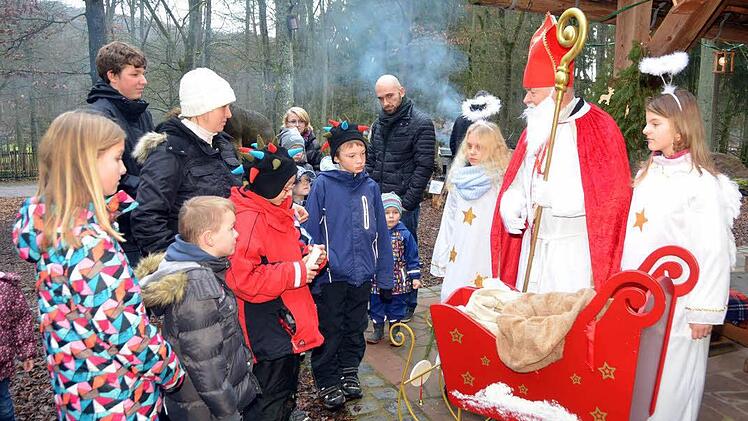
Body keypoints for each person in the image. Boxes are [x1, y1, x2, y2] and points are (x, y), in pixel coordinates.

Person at [12, 110, 184, 420]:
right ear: (86, 164)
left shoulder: (52, 228)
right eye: (117, 159)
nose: (123, 169)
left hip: (79, 394)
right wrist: (172, 372)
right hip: (118, 400)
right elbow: (127, 334)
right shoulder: (89, 246)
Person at [620, 88, 740, 421]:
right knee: (640, 386)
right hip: (644, 302)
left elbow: (713, 250)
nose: (646, 130)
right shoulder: (648, 174)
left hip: (682, 308)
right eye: (647, 122)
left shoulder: (701, 184)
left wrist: (704, 311)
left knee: (673, 386)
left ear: (679, 128)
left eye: (654, 123)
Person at [491, 13, 631, 293]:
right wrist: (511, 202)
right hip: (534, 251)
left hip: (573, 258)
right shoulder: (536, 127)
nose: (526, 100)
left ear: (559, 90)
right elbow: (518, 181)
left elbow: (612, 199)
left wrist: (556, 198)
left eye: (533, 92)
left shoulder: (599, 127)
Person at [138, 196, 261, 420]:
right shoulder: (198, 288)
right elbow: (207, 367)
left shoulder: (200, 270)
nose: (237, 234)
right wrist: (230, 414)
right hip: (207, 411)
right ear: (209, 238)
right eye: (231, 228)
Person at [227, 143, 324, 421]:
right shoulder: (250, 220)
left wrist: (310, 256)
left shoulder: (276, 209)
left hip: (285, 319)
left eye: (292, 185)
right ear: (265, 188)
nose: (289, 193)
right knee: (270, 395)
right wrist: (296, 273)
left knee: (284, 390)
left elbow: (283, 251)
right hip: (266, 326)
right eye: (284, 187)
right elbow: (242, 278)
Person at [304, 121, 394, 410]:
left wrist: (385, 276)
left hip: (362, 274)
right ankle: (327, 378)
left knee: (355, 326)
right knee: (331, 327)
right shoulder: (323, 185)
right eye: (351, 154)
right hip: (331, 275)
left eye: (362, 154)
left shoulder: (371, 187)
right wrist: (314, 273)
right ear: (337, 157)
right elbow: (312, 234)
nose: (358, 159)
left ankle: (348, 371)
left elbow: (380, 232)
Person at [132, 68, 243, 255]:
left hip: (226, 264)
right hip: (192, 270)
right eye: (223, 107)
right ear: (202, 108)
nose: (229, 114)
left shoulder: (223, 144)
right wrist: (180, 265)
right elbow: (147, 219)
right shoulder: (168, 152)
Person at [368, 74, 435, 321]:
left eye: (390, 96)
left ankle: (408, 304)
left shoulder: (421, 123)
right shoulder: (378, 124)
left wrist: (406, 203)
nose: (386, 102)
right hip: (379, 202)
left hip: (404, 206)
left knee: (406, 253)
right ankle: (381, 304)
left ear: (402, 91)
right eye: (381, 98)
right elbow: (372, 161)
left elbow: (424, 166)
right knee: (381, 253)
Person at [86, 41, 153, 265]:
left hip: (144, 224)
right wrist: (151, 188)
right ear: (112, 75)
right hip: (119, 229)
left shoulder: (142, 113)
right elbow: (104, 177)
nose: (143, 81)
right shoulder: (98, 118)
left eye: (143, 74)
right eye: (135, 74)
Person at [433, 121, 511, 302]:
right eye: (469, 146)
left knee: (482, 300)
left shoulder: (502, 182)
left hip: (486, 253)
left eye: (479, 147)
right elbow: (449, 221)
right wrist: (442, 256)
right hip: (459, 251)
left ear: (493, 149)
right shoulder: (458, 180)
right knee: (455, 295)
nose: (472, 151)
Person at [366, 193, 421, 345]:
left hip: (399, 280)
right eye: (387, 213)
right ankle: (377, 329)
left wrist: (415, 277)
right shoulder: (374, 233)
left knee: (397, 305)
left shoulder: (405, 235)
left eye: (395, 212)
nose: (391, 216)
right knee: (377, 303)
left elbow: (412, 257)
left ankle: (394, 330)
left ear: (400, 214)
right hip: (377, 279)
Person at [0, 271, 36, 421]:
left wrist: (27, 352)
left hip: (1, 364)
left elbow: (21, 320)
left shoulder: (6, 287)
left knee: (4, 408)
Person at [449, 91, 502, 155]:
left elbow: (452, 143)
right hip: (480, 161)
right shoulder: (488, 122)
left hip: (460, 159)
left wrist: (456, 155)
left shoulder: (459, 119)